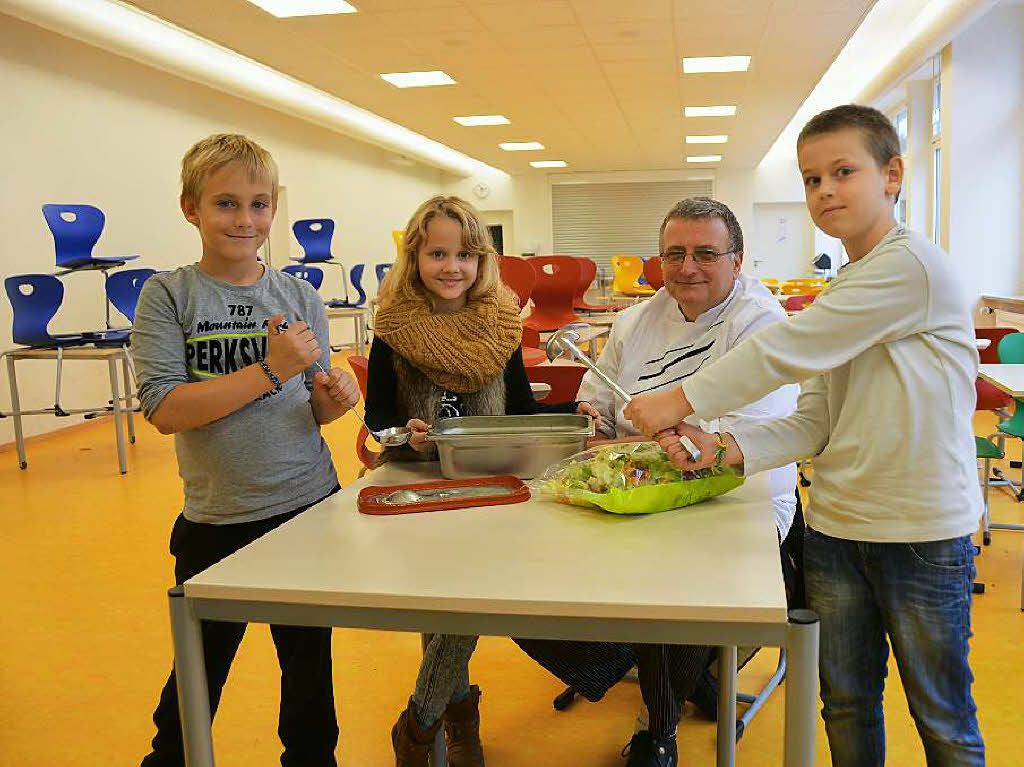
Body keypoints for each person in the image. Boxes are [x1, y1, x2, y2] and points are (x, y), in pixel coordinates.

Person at [625, 104, 985, 766]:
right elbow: (816, 418)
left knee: (942, 715)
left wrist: (680, 398)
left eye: (844, 171)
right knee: (845, 704)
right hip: (839, 530)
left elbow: (789, 348)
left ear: (893, 174)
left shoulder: (912, 268)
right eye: (812, 178)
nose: (825, 191)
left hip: (922, 533)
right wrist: (727, 448)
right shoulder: (845, 284)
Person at [515, 197, 800, 767]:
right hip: (634, 492)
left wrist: (661, 434)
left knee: (677, 586)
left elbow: (759, 430)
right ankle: (667, 664)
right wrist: (592, 419)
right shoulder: (635, 321)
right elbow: (598, 398)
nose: (687, 267)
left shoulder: (763, 324)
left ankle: (658, 726)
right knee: (524, 577)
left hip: (736, 497)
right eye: (674, 253)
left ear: (737, 260)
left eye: (705, 253)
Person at [134, 133, 360, 766]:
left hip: (306, 509)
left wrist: (332, 399)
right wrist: (268, 367)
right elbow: (165, 410)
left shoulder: (298, 296)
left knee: (309, 673)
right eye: (227, 203)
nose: (246, 220)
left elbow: (312, 403)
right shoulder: (170, 296)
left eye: (260, 205)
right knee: (198, 673)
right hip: (217, 519)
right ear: (191, 208)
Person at [365, 195, 599, 767]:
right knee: (444, 610)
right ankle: (449, 725)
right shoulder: (393, 328)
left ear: (482, 261)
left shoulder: (499, 324)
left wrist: (572, 413)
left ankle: (427, 726)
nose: (452, 267)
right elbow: (378, 419)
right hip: (418, 489)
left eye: (465, 255)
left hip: (493, 490)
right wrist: (406, 433)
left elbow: (516, 409)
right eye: (437, 253)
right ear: (414, 258)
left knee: (460, 608)